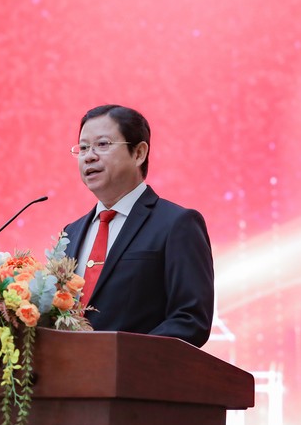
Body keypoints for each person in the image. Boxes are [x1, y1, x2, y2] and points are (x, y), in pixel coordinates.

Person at [64, 104, 214, 347]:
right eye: (83, 148)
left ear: (139, 153)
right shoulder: (70, 234)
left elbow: (190, 320)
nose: (89, 156)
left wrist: (121, 357)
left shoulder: (177, 224)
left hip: (134, 370)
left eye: (102, 144)